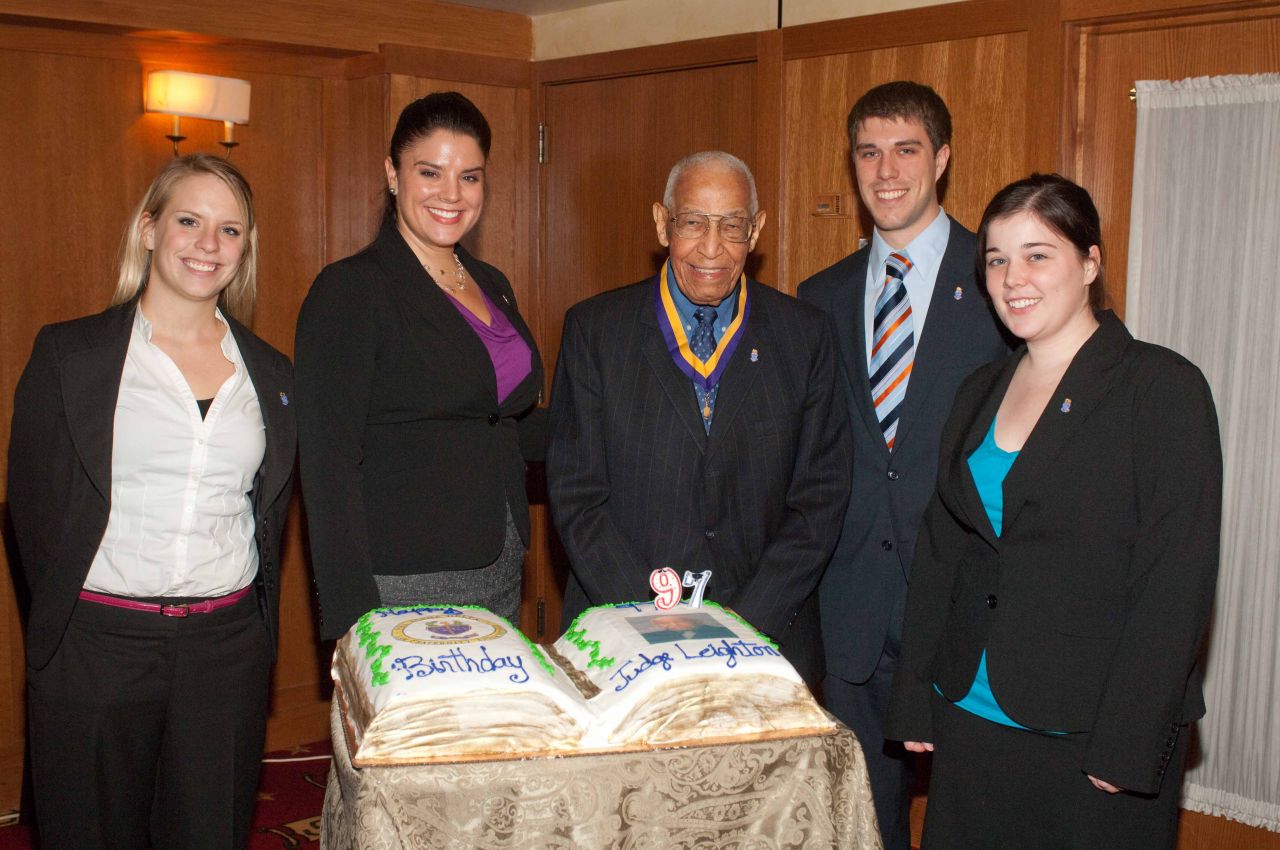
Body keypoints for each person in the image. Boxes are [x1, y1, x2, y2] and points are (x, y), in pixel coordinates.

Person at [884, 174, 1222, 848]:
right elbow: (943, 553)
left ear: (1090, 262)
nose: (1015, 277)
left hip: (1089, 735)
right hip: (968, 718)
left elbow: (1174, 585)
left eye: (1038, 254)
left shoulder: (1161, 389)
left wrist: (1128, 745)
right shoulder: (980, 388)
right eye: (997, 258)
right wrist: (914, 695)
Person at [7, 153, 296, 849]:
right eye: (189, 221)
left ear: (244, 249)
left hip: (224, 650)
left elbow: (267, 513)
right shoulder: (70, 357)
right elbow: (33, 509)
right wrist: (68, 628)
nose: (208, 245)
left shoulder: (273, 375)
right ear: (148, 228)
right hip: (96, 642)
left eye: (230, 231)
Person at [796, 80, 1010, 849]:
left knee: (967, 823)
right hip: (847, 619)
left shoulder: (1002, 282)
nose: (886, 171)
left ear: (942, 158)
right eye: (869, 152)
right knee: (858, 824)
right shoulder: (818, 298)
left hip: (962, 620)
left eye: (907, 150)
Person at [547, 151, 852, 684]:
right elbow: (578, 498)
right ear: (662, 223)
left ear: (755, 231)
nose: (712, 248)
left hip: (767, 638)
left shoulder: (805, 336)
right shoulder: (596, 331)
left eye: (732, 226)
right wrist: (658, 619)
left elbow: (820, 499)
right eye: (693, 223)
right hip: (624, 635)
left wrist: (742, 627)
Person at [295, 91, 544, 641]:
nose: (451, 195)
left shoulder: (492, 284)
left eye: (470, 177)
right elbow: (327, 462)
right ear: (392, 173)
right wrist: (353, 622)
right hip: (402, 580)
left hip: (499, 563)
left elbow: (501, 420)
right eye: (430, 172)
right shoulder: (352, 289)